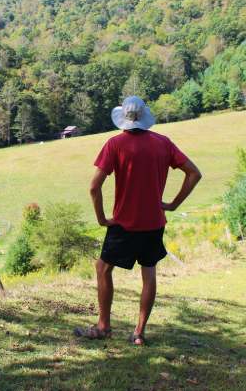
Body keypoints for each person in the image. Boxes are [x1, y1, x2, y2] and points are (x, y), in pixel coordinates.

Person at [74, 95, 202, 345]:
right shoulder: (163, 143)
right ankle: (139, 333)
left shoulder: (115, 144)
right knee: (149, 273)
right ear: (145, 117)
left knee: (103, 268)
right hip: (154, 223)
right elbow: (194, 174)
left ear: (124, 118)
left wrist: (102, 219)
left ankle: (104, 327)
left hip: (123, 224)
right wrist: (174, 204)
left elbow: (93, 187)